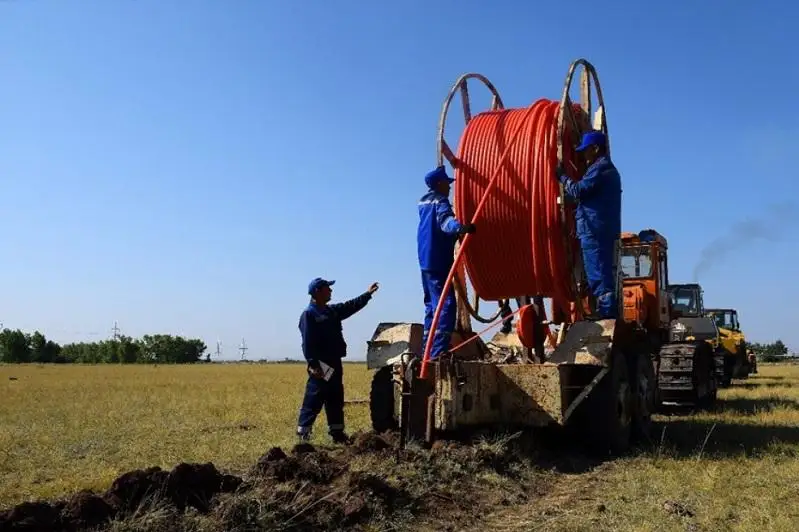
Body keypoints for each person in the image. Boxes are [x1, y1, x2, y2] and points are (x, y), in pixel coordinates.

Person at [296, 277, 379, 443]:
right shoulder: (309, 314)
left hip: (334, 362)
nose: (331, 291)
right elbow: (308, 342)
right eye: (328, 288)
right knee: (315, 398)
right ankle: (303, 434)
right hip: (321, 364)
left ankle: (337, 434)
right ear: (317, 292)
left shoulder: (331, 311)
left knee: (335, 398)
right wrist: (313, 364)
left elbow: (350, 306)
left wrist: (367, 294)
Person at [555, 130, 622, 319]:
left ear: (595, 148)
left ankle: (607, 313)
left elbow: (578, 190)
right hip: (599, 227)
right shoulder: (607, 170)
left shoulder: (600, 169)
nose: (583, 155)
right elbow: (586, 195)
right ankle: (605, 310)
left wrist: (563, 177)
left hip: (594, 229)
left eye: (586, 150)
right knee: (600, 271)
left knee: (598, 272)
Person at [417, 165, 476, 360]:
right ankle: (437, 352)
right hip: (439, 261)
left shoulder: (423, 203)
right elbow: (445, 223)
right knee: (446, 305)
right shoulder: (440, 201)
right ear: (440, 184)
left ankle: (427, 349)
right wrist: (462, 227)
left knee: (431, 307)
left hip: (425, 261)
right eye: (447, 184)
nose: (450, 188)